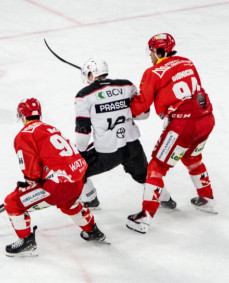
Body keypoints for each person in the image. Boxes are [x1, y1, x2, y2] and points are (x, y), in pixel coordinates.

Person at [126, 33, 216, 234]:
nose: (150, 56)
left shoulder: (152, 73)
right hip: (207, 120)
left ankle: (145, 217)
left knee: (156, 167)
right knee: (192, 157)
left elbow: (140, 107)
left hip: (183, 125)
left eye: (151, 51)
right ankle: (207, 198)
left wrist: (127, 104)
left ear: (160, 52)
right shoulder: (187, 62)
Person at [4, 97, 107, 257]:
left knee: (13, 202)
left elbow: (32, 172)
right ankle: (92, 231)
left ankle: (26, 242)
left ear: (23, 116)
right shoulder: (50, 128)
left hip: (57, 185)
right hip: (77, 179)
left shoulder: (24, 135)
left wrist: (30, 183)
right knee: (68, 203)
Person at [74, 57, 175, 209]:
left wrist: (79, 153)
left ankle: (90, 199)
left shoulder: (84, 96)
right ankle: (166, 199)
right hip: (132, 146)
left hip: (107, 152)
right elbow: (143, 114)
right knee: (144, 175)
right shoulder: (126, 85)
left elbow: (83, 130)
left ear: (91, 74)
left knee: (76, 171)